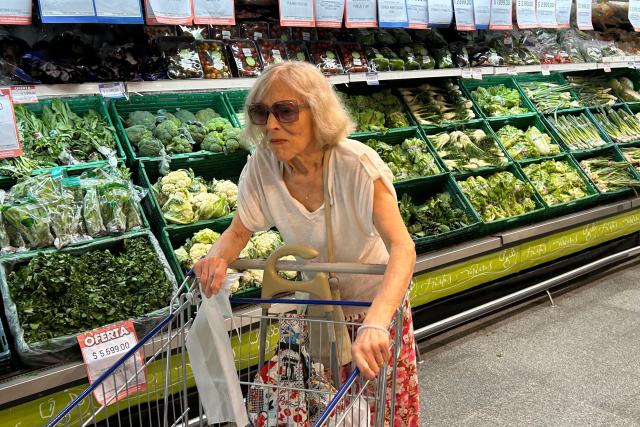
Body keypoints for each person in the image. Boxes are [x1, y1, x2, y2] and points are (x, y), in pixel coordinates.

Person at [195, 61, 420, 426]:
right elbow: (239, 231)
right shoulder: (261, 167)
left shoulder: (358, 166)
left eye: (285, 111)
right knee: (319, 410)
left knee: (385, 410)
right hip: (315, 309)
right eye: (261, 113)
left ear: (318, 112)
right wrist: (217, 258)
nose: (270, 125)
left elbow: (402, 248)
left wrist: (377, 322)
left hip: (372, 307)